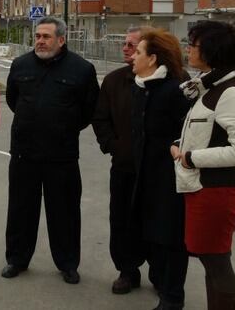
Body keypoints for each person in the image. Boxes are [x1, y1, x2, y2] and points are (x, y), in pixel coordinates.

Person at [2, 16, 99, 285]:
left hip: (62, 155)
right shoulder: (20, 65)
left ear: (61, 39)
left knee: (64, 212)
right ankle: (17, 260)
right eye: (37, 36)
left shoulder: (82, 69)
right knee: (21, 210)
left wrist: (62, 127)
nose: (40, 41)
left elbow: (89, 110)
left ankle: (68, 264)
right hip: (24, 153)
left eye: (46, 36)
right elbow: (13, 100)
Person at [171, 21, 235, 310]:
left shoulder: (231, 92)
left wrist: (191, 157)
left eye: (192, 45)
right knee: (211, 258)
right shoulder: (211, 86)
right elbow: (208, 132)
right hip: (203, 187)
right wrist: (181, 147)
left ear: (210, 51)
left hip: (218, 189)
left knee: (216, 260)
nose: (188, 49)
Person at [129, 29, 191, 310]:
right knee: (152, 233)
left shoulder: (174, 90)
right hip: (147, 176)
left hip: (170, 180)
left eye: (139, 52)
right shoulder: (144, 87)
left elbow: (183, 135)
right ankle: (160, 283)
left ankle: (172, 297)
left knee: (171, 238)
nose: (133, 56)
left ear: (153, 59)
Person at [92, 27, 154, 294]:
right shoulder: (115, 80)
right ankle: (127, 270)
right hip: (124, 165)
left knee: (156, 219)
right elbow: (100, 118)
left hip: (158, 169)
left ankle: (161, 273)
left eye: (133, 45)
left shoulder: (174, 80)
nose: (126, 48)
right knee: (122, 219)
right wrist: (113, 146)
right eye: (125, 44)